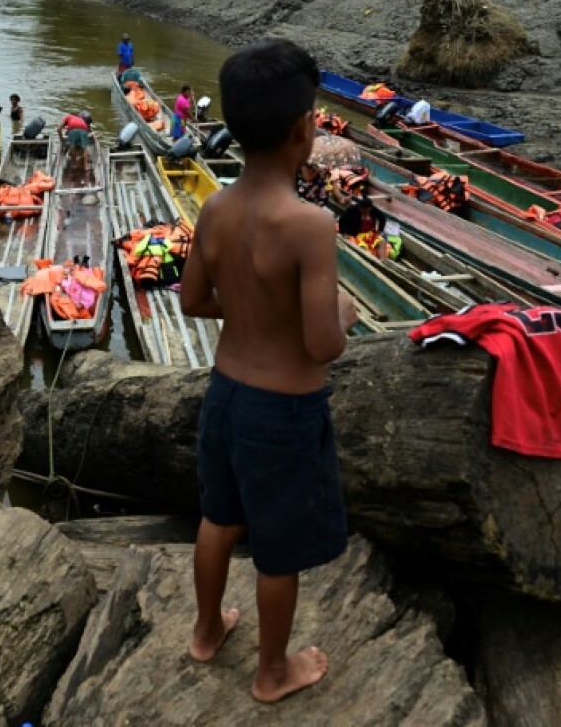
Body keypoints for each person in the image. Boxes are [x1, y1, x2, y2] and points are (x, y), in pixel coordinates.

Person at [179, 38, 356, 703]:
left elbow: (194, 300)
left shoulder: (216, 207)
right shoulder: (311, 226)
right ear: (303, 130)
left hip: (224, 395)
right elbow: (320, 346)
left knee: (217, 517)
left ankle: (205, 630)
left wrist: (252, 314)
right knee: (278, 550)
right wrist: (340, 314)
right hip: (284, 413)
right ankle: (272, 670)